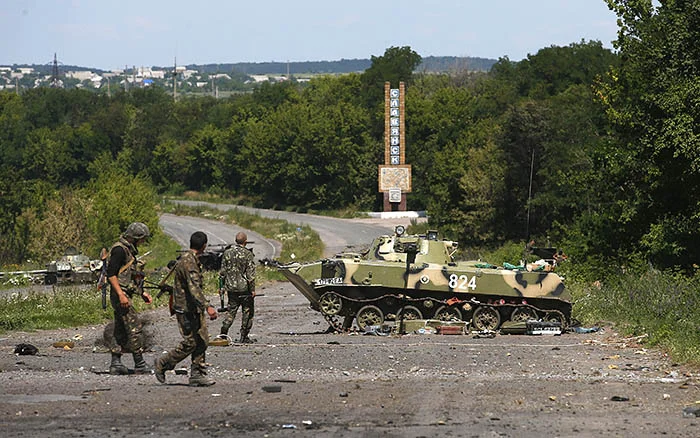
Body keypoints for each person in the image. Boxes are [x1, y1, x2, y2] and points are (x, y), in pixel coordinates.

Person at [154, 231, 218, 386]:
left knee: (202, 340)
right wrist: (208, 306)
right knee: (190, 342)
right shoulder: (189, 263)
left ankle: (197, 374)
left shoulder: (189, 259)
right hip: (186, 309)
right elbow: (194, 288)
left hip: (193, 308)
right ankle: (164, 363)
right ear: (204, 246)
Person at [106, 222, 153, 375]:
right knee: (134, 328)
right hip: (120, 295)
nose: (143, 242)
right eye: (142, 239)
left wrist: (142, 293)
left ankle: (116, 363)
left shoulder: (128, 250)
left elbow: (126, 277)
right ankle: (139, 363)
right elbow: (111, 275)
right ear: (135, 237)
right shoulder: (120, 250)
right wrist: (121, 295)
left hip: (123, 293)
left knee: (120, 329)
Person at [219, 231, 256, 343]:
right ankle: (244, 336)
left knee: (231, 312)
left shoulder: (227, 253)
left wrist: (221, 287)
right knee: (247, 312)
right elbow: (250, 275)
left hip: (231, 288)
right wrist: (253, 289)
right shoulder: (247, 254)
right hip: (244, 288)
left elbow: (222, 272)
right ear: (245, 241)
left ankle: (223, 333)